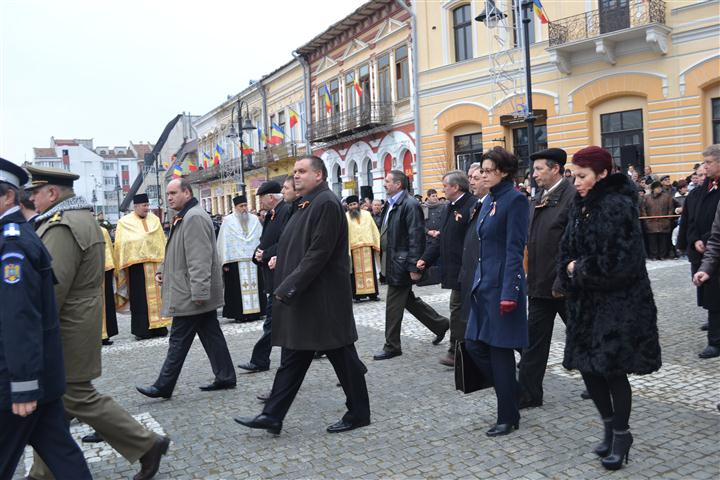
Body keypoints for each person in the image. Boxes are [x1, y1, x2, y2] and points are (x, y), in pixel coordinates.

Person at [26, 165, 169, 480]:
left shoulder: (62, 226)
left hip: (67, 328)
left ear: (51, 193)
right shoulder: (78, 220)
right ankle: (42, 473)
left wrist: (28, 327)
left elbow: (53, 286)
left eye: (35, 193)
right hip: (77, 323)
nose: (32, 200)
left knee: (74, 396)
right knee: (56, 404)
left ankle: (146, 444)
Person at [234, 156, 370, 434]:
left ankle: (359, 413)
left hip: (322, 300)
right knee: (293, 359)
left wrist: (289, 286)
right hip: (306, 299)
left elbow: (318, 254)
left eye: (302, 171)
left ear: (318, 175)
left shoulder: (327, 204)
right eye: (294, 172)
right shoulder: (304, 204)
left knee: (344, 360)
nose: (295, 176)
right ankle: (272, 415)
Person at [558, 146, 661, 471]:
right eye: (574, 176)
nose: (576, 182)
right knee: (588, 369)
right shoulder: (580, 205)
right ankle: (607, 425)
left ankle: (621, 434)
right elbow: (566, 250)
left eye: (582, 176)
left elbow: (621, 264)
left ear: (602, 175)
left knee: (613, 371)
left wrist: (578, 269)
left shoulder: (617, 206)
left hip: (619, 307)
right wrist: (569, 269)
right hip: (585, 305)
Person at [0, 159, 92, 480]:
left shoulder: (11, 245)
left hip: (19, 380)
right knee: (62, 455)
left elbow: (19, 317)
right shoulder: (19, 235)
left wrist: (23, 385)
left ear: (7, 197)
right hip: (42, 374)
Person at [136, 179, 236, 398]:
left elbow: (199, 259)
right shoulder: (185, 216)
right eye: (167, 193)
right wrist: (163, 269)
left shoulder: (194, 218)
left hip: (190, 293)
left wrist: (200, 292)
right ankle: (226, 376)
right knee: (211, 335)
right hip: (188, 288)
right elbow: (176, 249)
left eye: (173, 193)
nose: (169, 197)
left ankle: (163, 385)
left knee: (178, 340)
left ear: (187, 193)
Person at [464, 147, 529, 437]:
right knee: (474, 344)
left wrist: (510, 292)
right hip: (484, 286)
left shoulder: (514, 200)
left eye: (488, 170)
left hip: (502, 287)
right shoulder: (487, 199)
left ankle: (507, 415)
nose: (482, 174)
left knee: (500, 352)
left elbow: (515, 249)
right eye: (482, 169)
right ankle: (514, 392)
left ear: (503, 172)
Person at [517, 148, 575, 409]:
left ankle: (604, 381)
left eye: (539, 169)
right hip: (540, 284)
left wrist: (563, 279)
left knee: (583, 335)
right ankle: (529, 394)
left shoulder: (571, 196)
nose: (534, 174)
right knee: (533, 343)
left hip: (564, 285)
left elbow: (572, 243)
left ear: (555, 169)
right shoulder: (539, 197)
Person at [373, 170, 449, 360]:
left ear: (398, 184)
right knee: (409, 301)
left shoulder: (410, 204)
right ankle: (440, 324)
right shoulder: (391, 204)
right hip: (393, 263)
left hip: (401, 264)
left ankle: (392, 346)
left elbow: (416, 237)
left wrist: (415, 267)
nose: (384, 184)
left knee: (393, 305)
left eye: (388, 181)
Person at [417, 170, 475, 367]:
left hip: (466, 269)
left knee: (458, 310)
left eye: (445, 186)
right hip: (454, 268)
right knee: (460, 310)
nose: (442, 189)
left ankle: (456, 351)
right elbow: (441, 238)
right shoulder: (448, 207)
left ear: (456, 187)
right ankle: (458, 350)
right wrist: (426, 259)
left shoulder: (471, 205)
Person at [238, 180, 294, 377]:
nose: (260, 202)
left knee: (272, 322)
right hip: (272, 276)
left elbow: (287, 242)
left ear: (271, 197)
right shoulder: (271, 215)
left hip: (281, 276)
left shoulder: (286, 211)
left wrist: (267, 254)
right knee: (278, 322)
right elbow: (265, 241)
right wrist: (258, 254)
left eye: (261, 198)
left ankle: (260, 360)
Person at [678, 145, 720, 357]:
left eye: (708, 163)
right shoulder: (703, 190)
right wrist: (693, 239)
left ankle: (716, 339)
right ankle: (715, 336)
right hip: (707, 249)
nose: (704, 167)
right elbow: (692, 218)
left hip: (713, 246)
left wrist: (707, 240)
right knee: (711, 295)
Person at [114, 194, 171, 340]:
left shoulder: (155, 220)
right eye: (144, 205)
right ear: (136, 207)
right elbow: (121, 245)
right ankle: (142, 329)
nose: (147, 208)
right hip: (136, 268)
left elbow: (161, 241)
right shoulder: (124, 222)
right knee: (140, 300)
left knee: (158, 297)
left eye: (147, 205)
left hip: (155, 265)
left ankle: (159, 326)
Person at [217, 195, 265, 322]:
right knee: (236, 289)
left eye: (245, 205)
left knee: (257, 286)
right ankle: (239, 314)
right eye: (241, 206)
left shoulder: (254, 219)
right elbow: (224, 241)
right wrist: (224, 262)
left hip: (253, 260)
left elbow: (260, 237)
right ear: (235, 207)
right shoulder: (228, 221)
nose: (244, 209)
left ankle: (257, 312)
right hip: (235, 261)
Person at [346, 195, 380, 302]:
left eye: (354, 204)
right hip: (353, 247)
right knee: (355, 274)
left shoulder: (367, 214)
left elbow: (373, 228)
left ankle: (373, 294)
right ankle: (357, 296)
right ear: (348, 206)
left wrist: (376, 242)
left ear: (358, 204)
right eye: (350, 205)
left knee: (370, 271)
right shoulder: (346, 217)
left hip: (367, 246)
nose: (353, 206)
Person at [640, 181, 674, 260]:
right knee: (652, 241)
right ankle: (653, 255)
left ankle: (662, 255)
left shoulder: (667, 197)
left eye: (660, 187)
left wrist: (668, 219)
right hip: (651, 223)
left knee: (663, 240)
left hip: (664, 222)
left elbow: (670, 209)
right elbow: (643, 210)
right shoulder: (646, 197)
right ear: (653, 189)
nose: (659, 189)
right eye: (657, 188)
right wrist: (646, 221)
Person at [100, 224, 119, 346]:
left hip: (104, 269)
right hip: (87, 272)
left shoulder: (103, 231)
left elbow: (108, 250)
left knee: (106, 302)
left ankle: (106, 334)